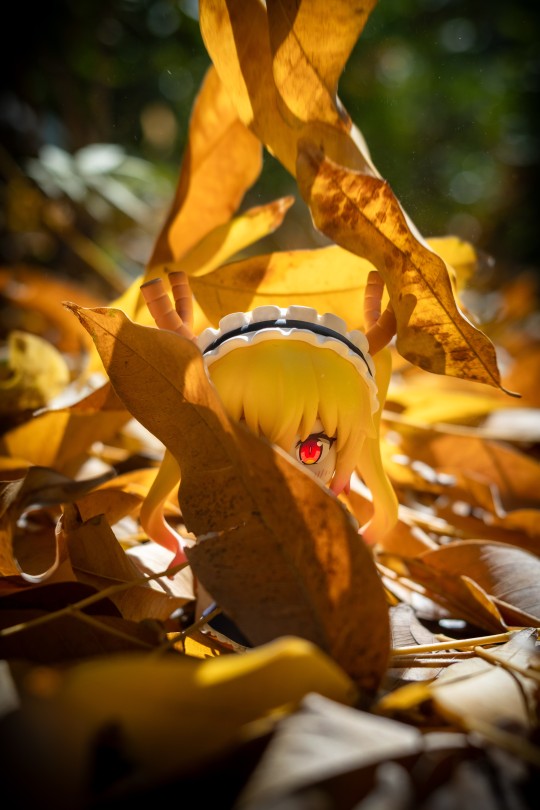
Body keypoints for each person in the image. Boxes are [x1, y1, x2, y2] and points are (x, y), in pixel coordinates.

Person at [139, 271, 398, 568]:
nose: (281, 475)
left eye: (311, 450)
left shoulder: (330, 523)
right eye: (249, 446)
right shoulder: (224, 518)